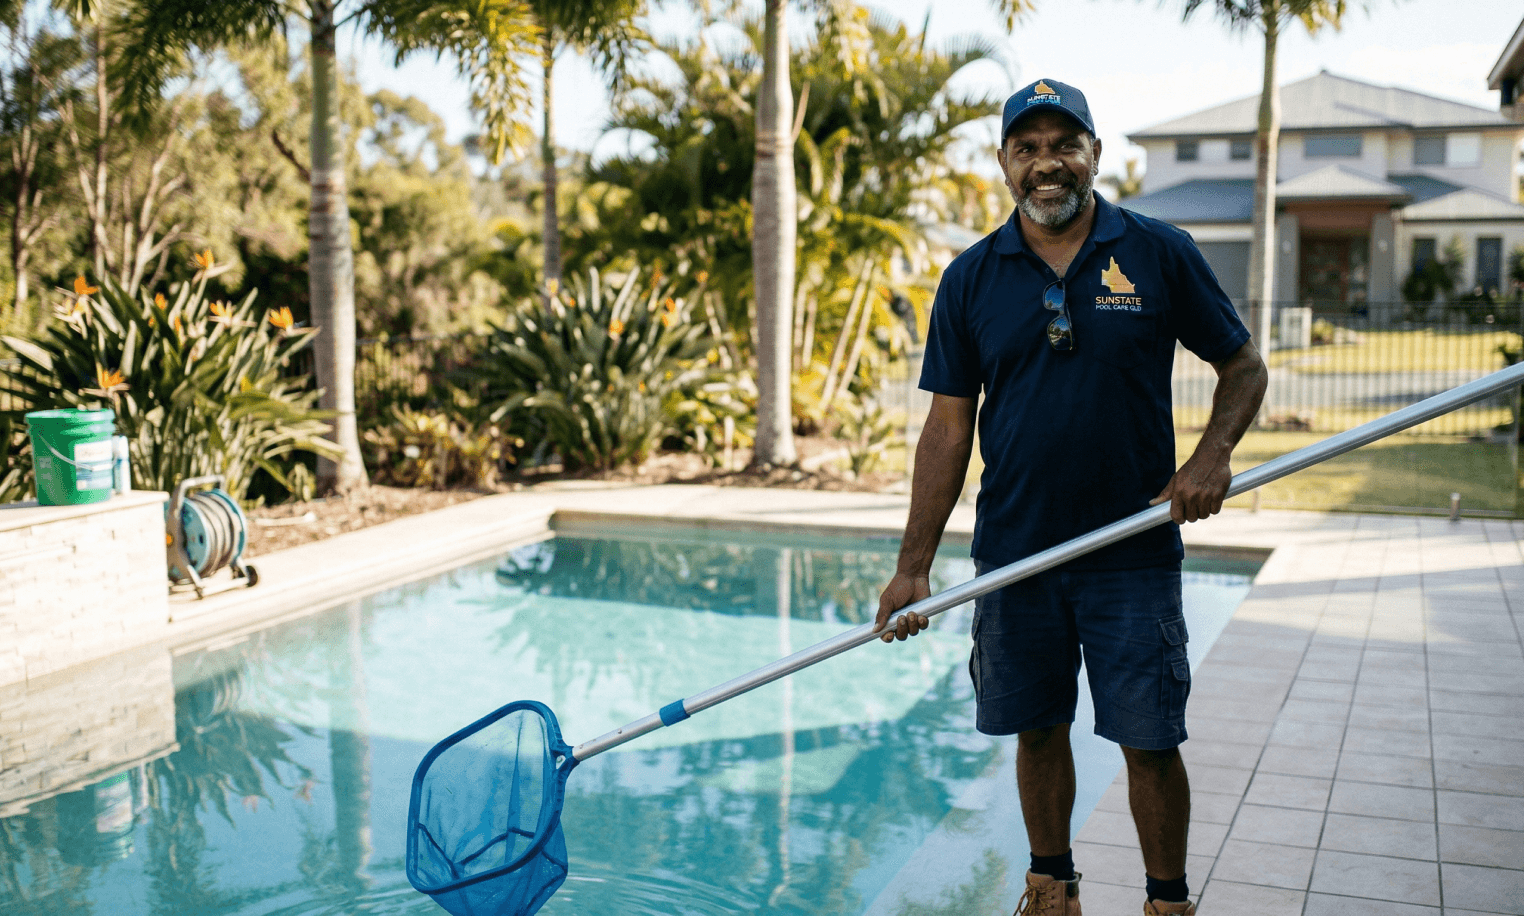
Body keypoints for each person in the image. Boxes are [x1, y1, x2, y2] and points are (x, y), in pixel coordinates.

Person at [873, 78, 1268, 916]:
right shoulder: (971, 277)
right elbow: (947, 429)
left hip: (1132, 552)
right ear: (1004, 163)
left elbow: (1242, 365)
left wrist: (1211, 457)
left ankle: (1167, 904)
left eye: (1064, 145)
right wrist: (913, 566)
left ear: (1095, 152)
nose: (1046, 164)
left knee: (1149, 741)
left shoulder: (1157, 251)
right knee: (1039, 729)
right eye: (1028, 148)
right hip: (1016, 555)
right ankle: (1052, 891)